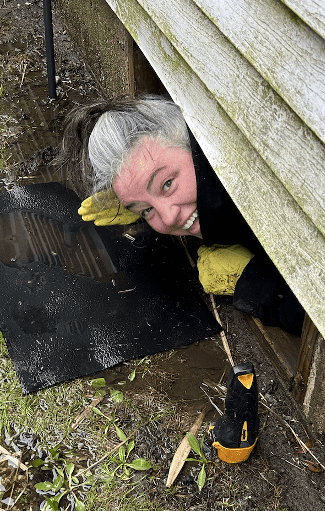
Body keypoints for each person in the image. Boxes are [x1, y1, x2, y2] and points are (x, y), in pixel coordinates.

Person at [60, 94, 304, 337]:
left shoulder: (266, 195)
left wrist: (252, 281)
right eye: (146, 211)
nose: (168, 218)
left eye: (167, 184)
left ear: (192, 143)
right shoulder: (212, 189)